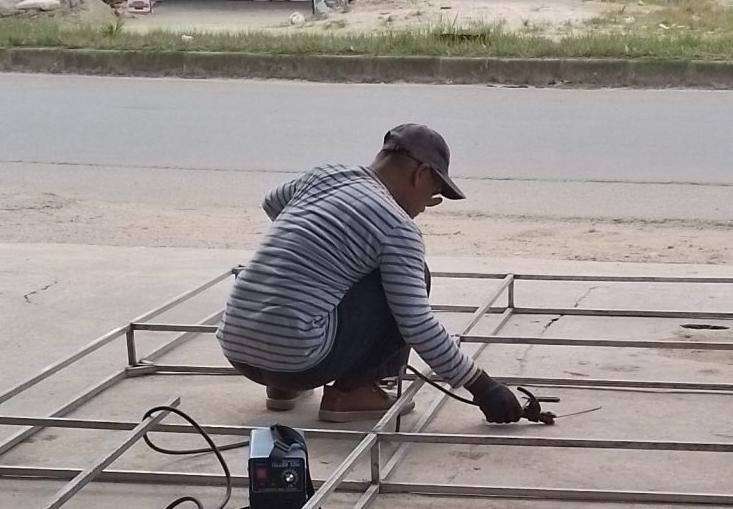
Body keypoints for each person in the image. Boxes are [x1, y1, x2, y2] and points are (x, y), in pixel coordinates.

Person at [221, 125, 525, 425]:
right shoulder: (397, 226)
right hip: (301, 362)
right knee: (410, 276)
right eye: (431, 194)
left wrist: (319, 245)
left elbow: (272, 201)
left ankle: (282, 389)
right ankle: (353, 393)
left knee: (344, 271)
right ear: (420, 174)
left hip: (238, 349)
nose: (425, 208)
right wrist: (483, 387)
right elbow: (417, 324)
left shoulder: (325, 176)